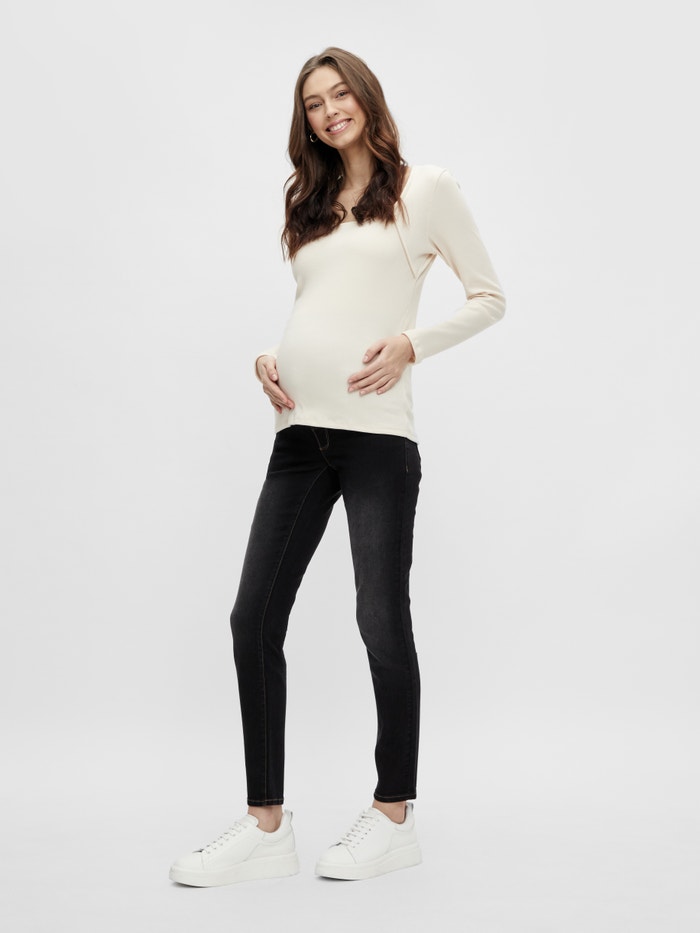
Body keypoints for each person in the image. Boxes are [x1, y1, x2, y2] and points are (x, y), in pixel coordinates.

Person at [169, 46, 505, 887]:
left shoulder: (425, 188)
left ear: (366, 96)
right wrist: (269, 355)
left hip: (376, 437)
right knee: (252, 617)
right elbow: (316, 303)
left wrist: (411, 344)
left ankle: (394, 815)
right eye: (313, 103)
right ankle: (266, 825)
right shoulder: (308, 201)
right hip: (297, 435)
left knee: (380, 617)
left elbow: (489, 296)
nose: (329, 111)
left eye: (339, 93)